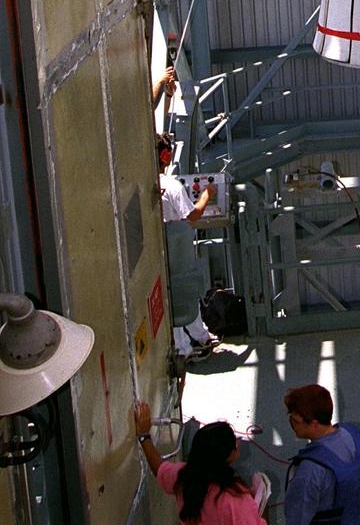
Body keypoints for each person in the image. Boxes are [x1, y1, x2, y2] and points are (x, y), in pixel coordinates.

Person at [134, 400, 266, 523]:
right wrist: (262, 507)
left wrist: (144, 436)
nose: (238, 443)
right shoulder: (236, 500)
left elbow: (159, 468)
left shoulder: (184, 478)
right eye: (234, 443)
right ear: (226, 456)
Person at [158, 131, 219, 362]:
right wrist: (206, 195)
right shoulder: (172, 186)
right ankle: (186, 348)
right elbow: (192, 215)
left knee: (168, 297)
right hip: (177, 253)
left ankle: (197, 338)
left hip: (157, 254)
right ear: (166, 156)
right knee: (182, 294)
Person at [283, 384, 360, 525]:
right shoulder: (353, 434)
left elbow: (297, 519)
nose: (291, 423)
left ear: (314, 424)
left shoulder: (309, 471)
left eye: (295, 420)